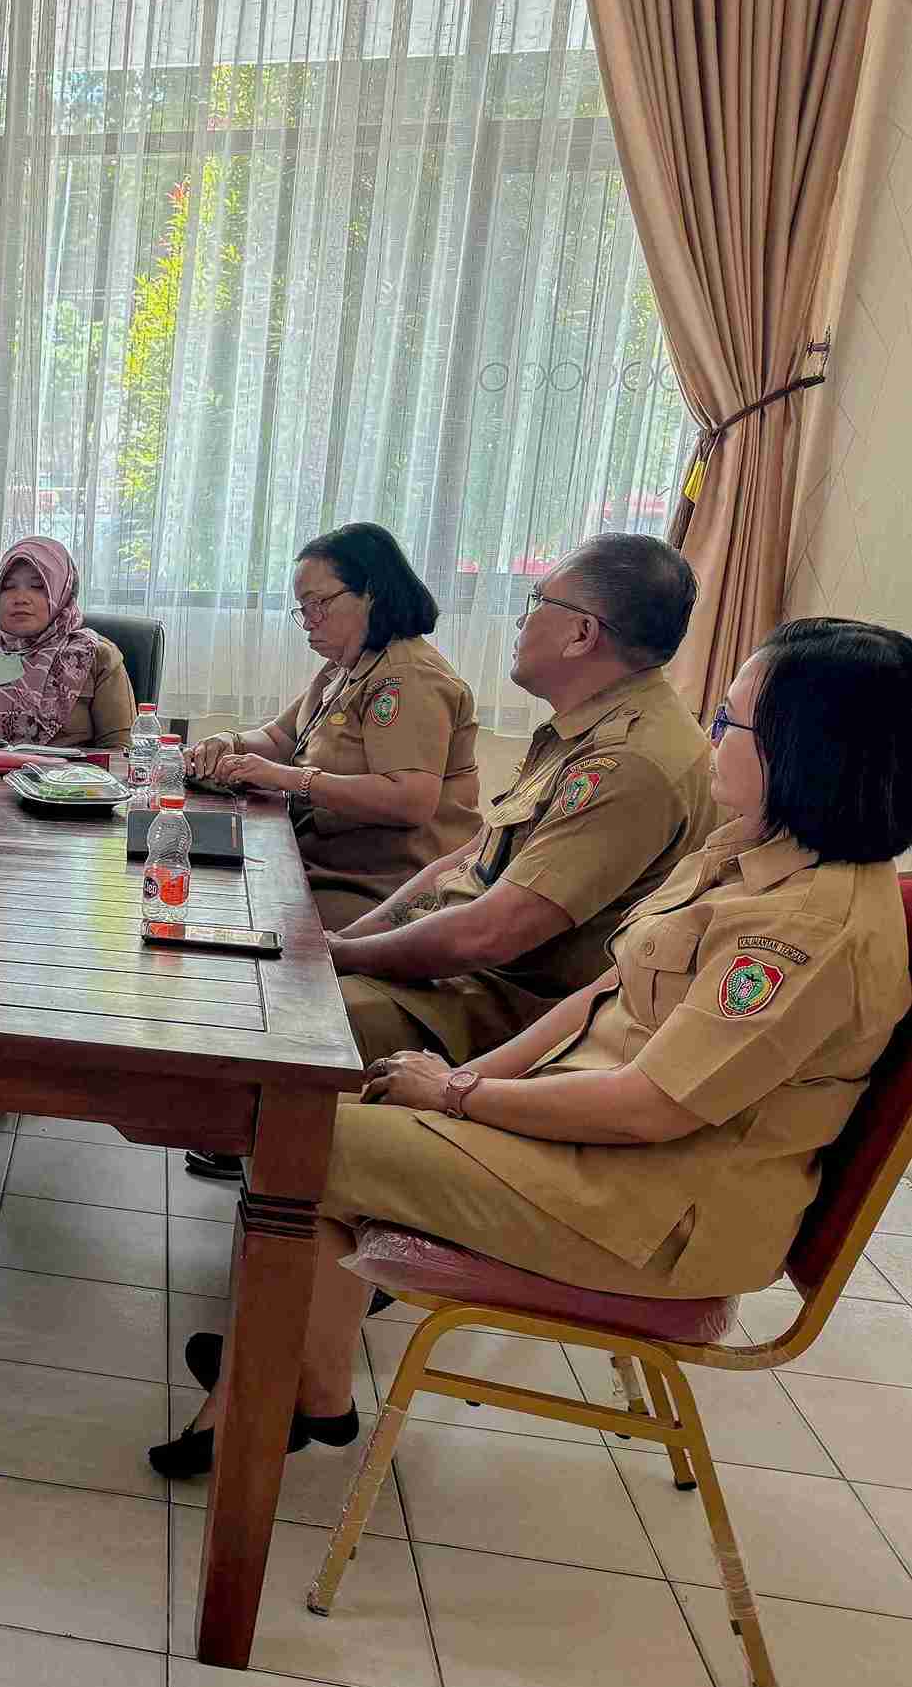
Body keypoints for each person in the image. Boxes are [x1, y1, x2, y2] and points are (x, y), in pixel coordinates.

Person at [151, 617, 912, 1479]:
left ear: (805, 750)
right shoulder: (750, 853)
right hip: (590, 1143)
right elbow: (604, 992)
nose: (710, 735)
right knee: (341, 1113)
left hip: (649, 1206)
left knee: (306, 1138)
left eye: (729, 721)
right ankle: (310, 1386)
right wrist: (461, 1083)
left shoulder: (808, 930)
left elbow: (648, 1107)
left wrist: (458, 1099)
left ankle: (253, 1400)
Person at [324, 534, 719, 1068]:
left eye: (536, 602)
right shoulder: (584, 729)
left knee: (290, 1016)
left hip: (500, 1013)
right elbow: (466, 861)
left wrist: (344, 956)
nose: (520, 622)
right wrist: (343, 944)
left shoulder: (630, 761)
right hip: (456, 976)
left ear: (582, 633)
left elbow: (489, 935)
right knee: (286, 983)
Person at [187, 523, 480, 928]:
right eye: (302, 609)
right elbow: (280, 737)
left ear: (371, 594)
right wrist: (229, 742)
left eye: (318, 604)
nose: (308, 622)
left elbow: (411, 800)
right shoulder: (345, 667)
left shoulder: (407, 677)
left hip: (381, 888)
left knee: (222, 913)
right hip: (318, 861)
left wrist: (290, 778)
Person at [0, 536, 136, 749]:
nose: (20, 598)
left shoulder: (96, 656)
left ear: (62, 593)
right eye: (9, 586)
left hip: (61, 783)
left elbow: (120, 752)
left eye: (37, 586)